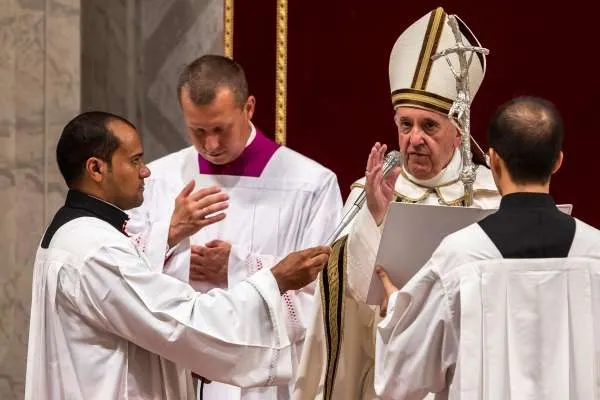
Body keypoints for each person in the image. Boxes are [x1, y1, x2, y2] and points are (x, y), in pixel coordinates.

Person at [24, 111, 331, 400]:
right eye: (134, 160)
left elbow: (135, 312)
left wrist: (169, 236)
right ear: (96, 169)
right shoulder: (96, 249)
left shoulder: (74, 231)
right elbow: (181, 320)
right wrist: (274, 281)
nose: (145, 171)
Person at [293, 7, 501, 399]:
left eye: (429, 125)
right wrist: (375, 218)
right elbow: (349, 296)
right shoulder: (368, 193)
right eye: (406, 125)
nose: (414, 139)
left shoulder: (490, 195)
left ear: (458, 132)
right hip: (387, 378)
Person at [125, 55, 343, 399]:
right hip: (176, 372)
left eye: (220, 129)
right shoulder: (157, 179)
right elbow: (124, 274)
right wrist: (169, 240)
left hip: (264, 382)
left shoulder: (311, 184)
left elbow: (324, 289)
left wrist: (238, 266)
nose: (211, 145)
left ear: (249, 108)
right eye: (198, 131)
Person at [374, 96, 600, 399]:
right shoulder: (595, 252)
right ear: (558, 161)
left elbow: (401, 379)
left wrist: (396, 309)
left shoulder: (460, 256)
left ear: (493, 160)